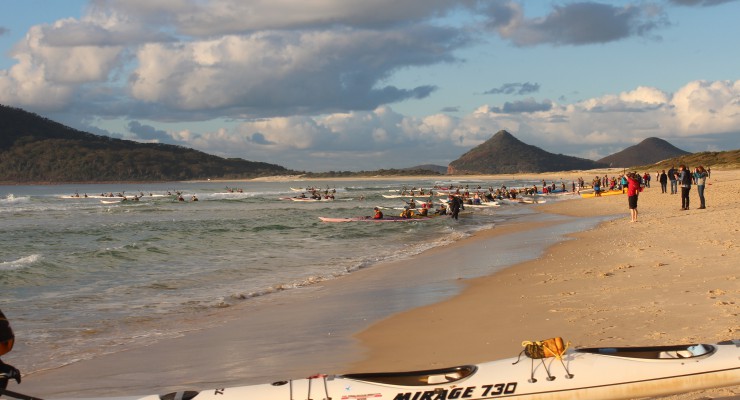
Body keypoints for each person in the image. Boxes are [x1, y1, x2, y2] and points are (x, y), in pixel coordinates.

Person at [0, 309, 21, 390]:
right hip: (6, 338)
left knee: (3, 371)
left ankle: (5, 370)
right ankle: (4, 370)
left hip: (3, 339)